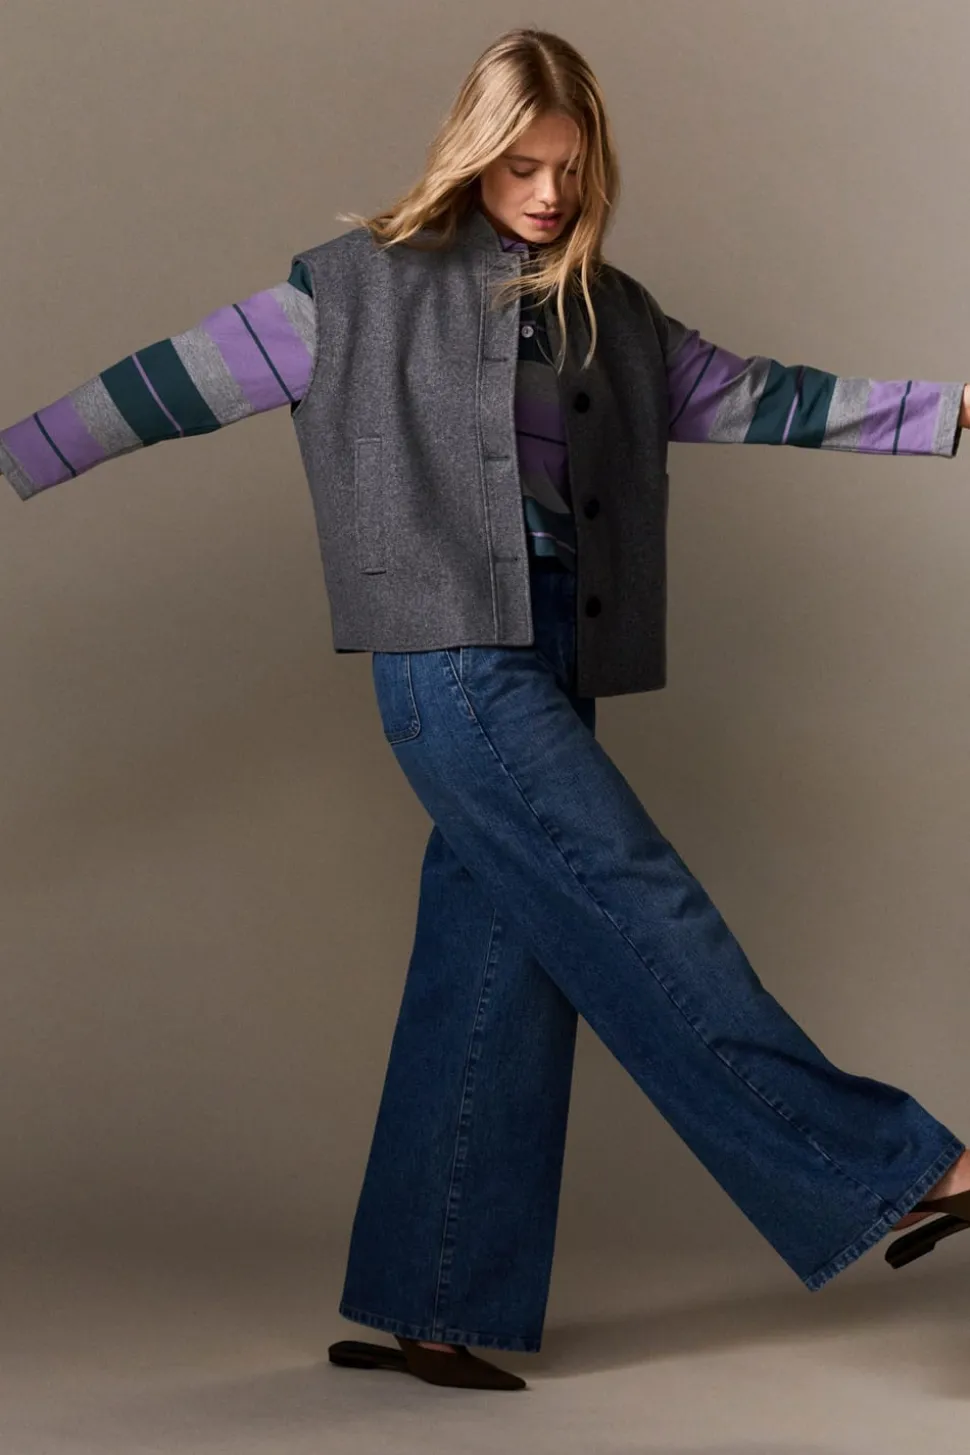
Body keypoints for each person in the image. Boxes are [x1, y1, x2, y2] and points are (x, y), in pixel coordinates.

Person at [3, 26, 970, 1394]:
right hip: (452, 659)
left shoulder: (611, 314)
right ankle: (895, 1168)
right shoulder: (351, 291)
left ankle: (433, 1295)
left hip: (557, 653)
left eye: (569, 168)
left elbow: (766, 397)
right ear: (470, 154)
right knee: (640, 905)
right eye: (521, 166)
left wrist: (953, 412)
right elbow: (160, 384)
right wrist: (11, 456)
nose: (547, 193)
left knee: (494, 966)